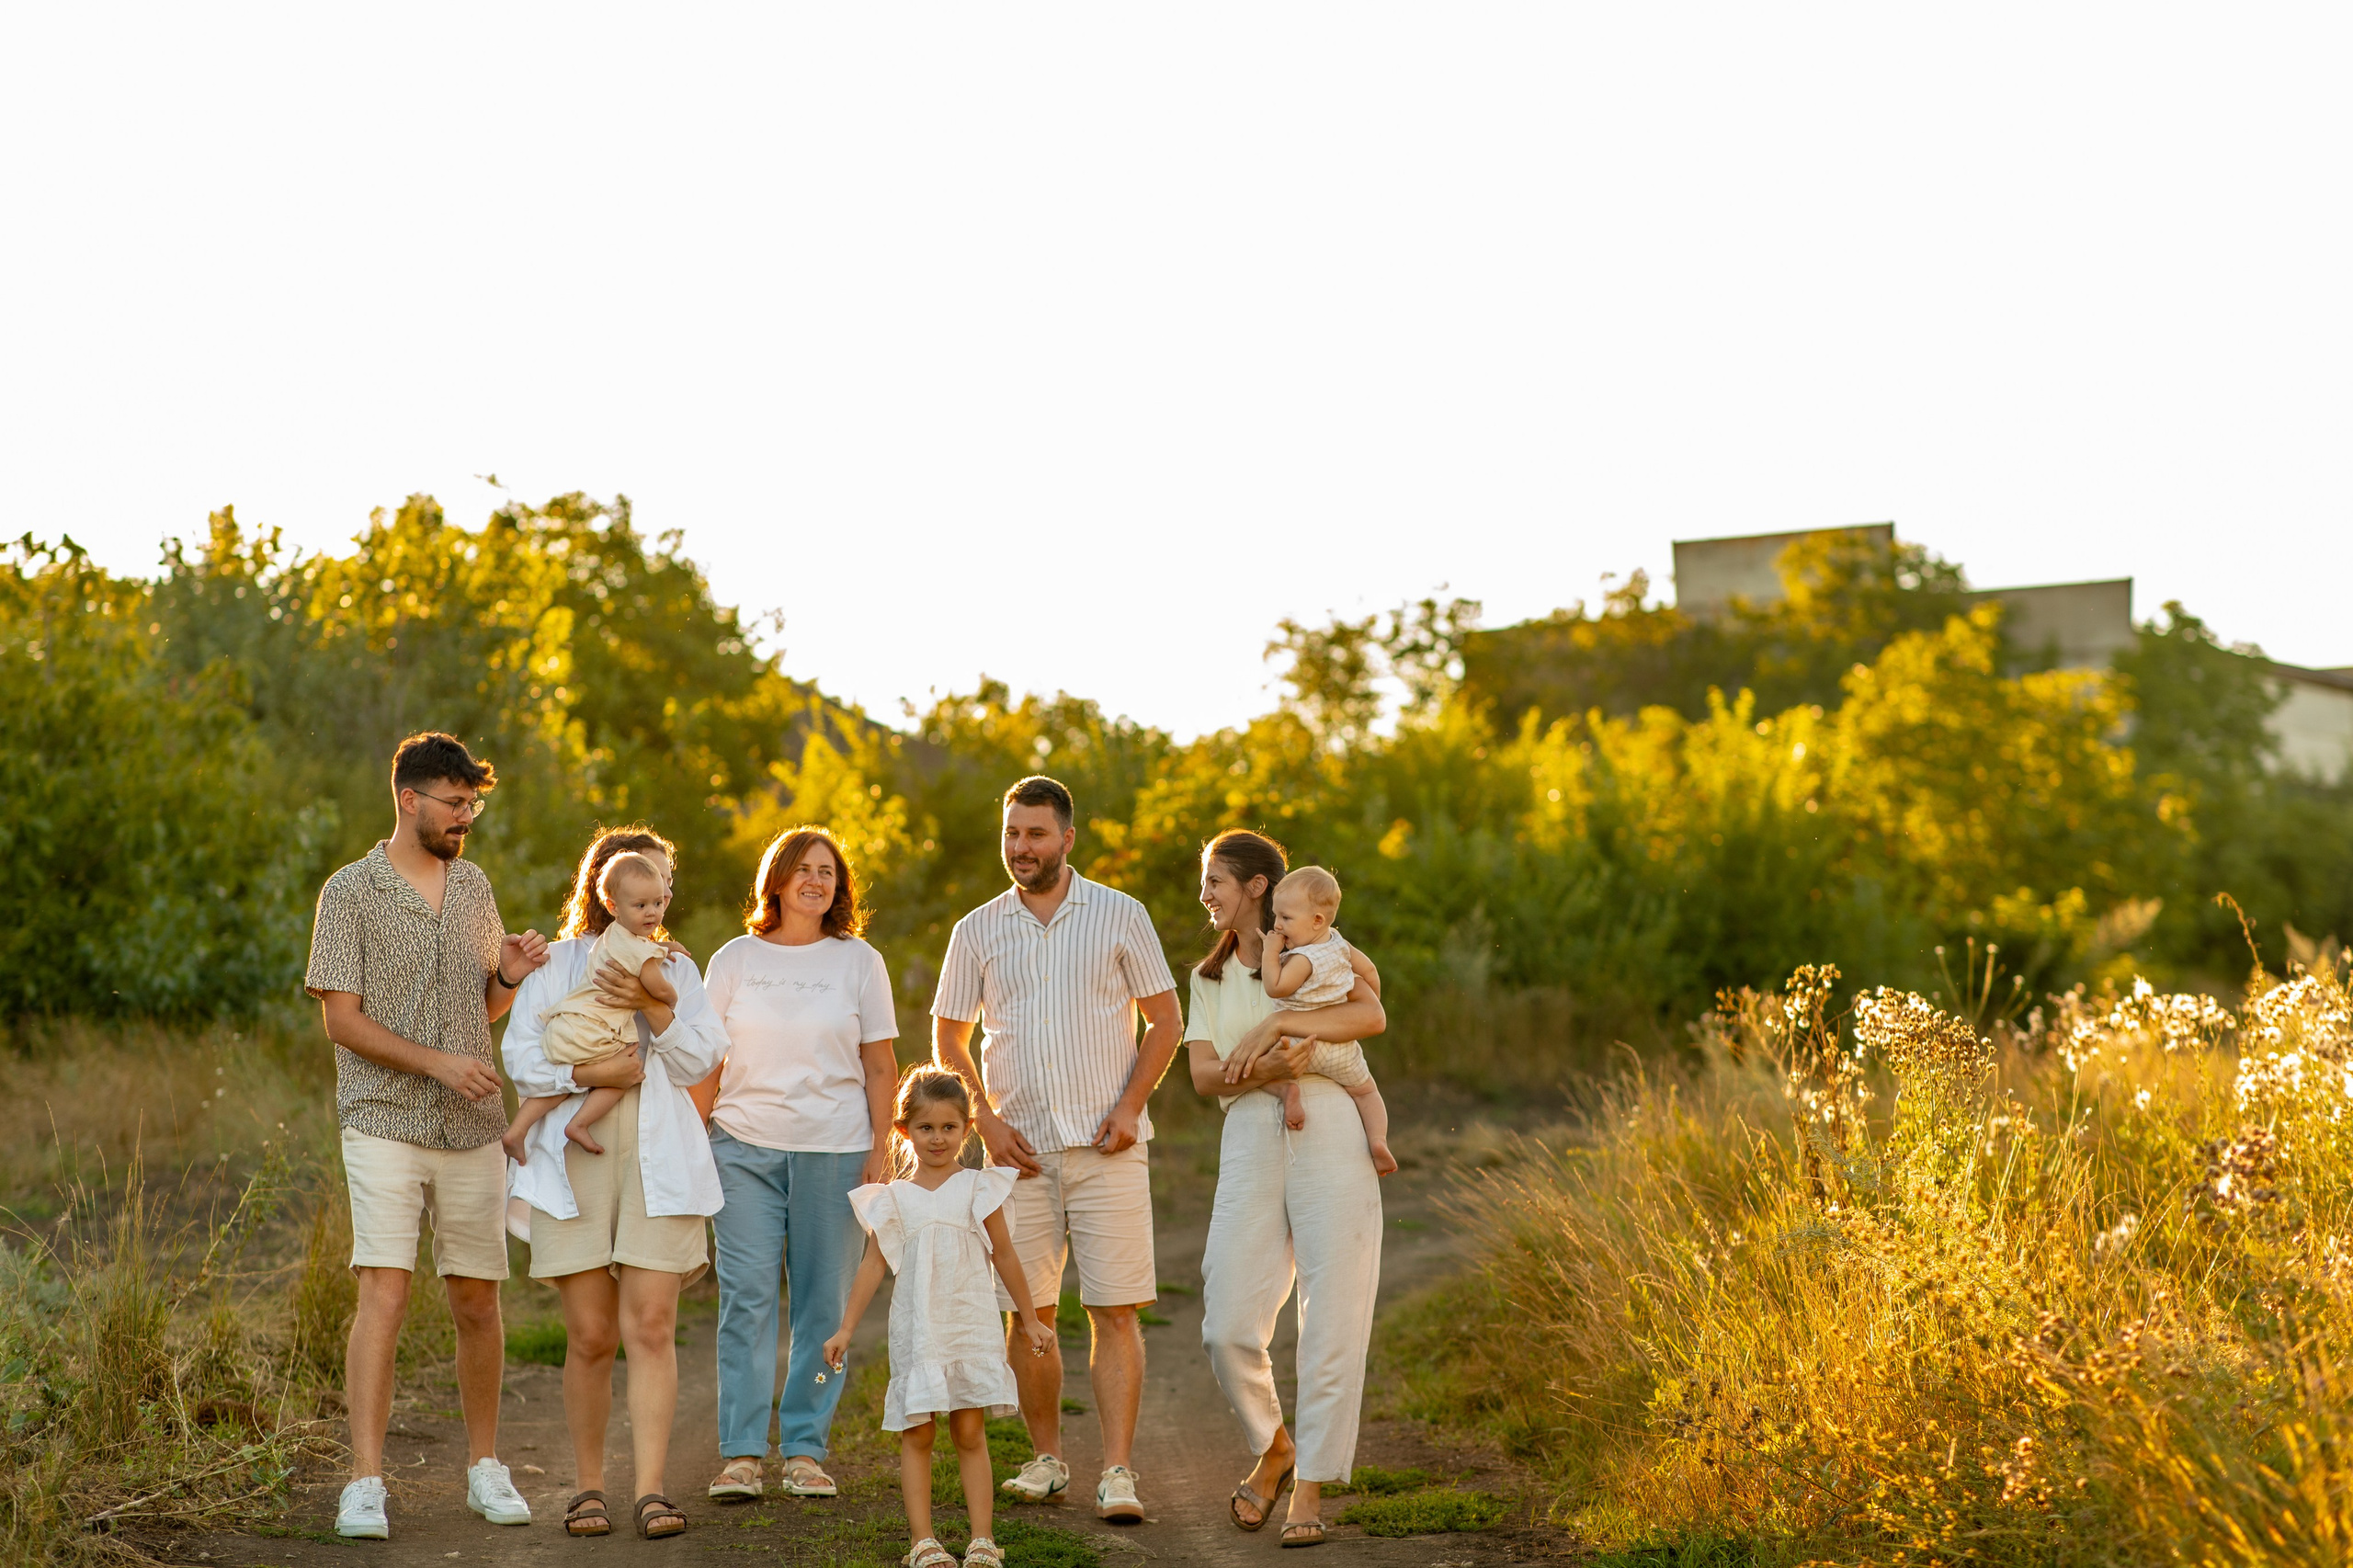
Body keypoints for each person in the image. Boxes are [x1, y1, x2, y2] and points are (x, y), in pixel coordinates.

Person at [304, 731, 549, 1541]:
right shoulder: (350, 890)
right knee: (387, 1290)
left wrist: (508, 974)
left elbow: (478, 1011)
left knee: (477, 1298)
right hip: (382, 1119)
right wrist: (439, 1065)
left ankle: (485, 1468)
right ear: (409, 798)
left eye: (473, 804)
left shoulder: (474, 887)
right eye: (454, 803)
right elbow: (343, 1021)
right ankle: (364, 1482)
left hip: (472, 1126)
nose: (465, 818)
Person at [931, 776, 1181, 1523]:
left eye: (1035, 835)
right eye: (1011, 834)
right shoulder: (976, 928)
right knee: (1028, 1314)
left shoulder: (1120, 914)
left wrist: (1132, 1106)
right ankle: (1047, 1459)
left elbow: (1165, 1020)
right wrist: (985, 1122)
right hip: (1018, 1155)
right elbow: (949, 1036)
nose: (1021, 849)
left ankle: (1117, 1471)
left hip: (1108, 1147)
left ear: (1067, 838)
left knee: (1114, 1310)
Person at [503, 827, 727, 1542]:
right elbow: (522, 1057)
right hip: (577, 1152)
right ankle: (588, 1487)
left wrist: (651, 1001)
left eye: (663, 887)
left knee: (652, 1327)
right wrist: (590, 1075)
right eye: (640, 886)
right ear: (604, 889)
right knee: (592, 1334)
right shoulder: (557, 962)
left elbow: (699, 1060)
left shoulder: (676, 969)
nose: (654, 900)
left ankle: (652, 1491)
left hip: (660, 1154)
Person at [1185, 829, 1390, 1546]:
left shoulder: (1318, 947)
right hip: (1247, 1132)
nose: (1205, 894)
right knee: (1227, 1323)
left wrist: (1281, 1021)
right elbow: (1206, 1077)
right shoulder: (1207, 978)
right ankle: (1275, 1446)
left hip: (1330, 1122)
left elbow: (1372, 1014)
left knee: (1333, 1310)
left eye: (1215, 881)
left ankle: (1310, 1489)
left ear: (1257, 887)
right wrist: (1271, 1068)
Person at [692, 826, 900, 1503]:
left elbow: (879, 1065)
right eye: (803, 868)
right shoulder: (733, 959)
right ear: (775, 879)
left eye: (828, 871)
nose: (816, 880)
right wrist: (692, 1147)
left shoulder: (860, 962)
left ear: (839, 887)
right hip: (742, 1146)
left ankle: (806, 1449)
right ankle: (743, 1454)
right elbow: (707, 1061)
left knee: (822, 1307)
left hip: (835, 1151)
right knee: (746, 1299)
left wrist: (879, 1150)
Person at [824, 1067, 1057, 1568]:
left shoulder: (979, 1187)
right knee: (919, 1433)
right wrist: (846, 1327)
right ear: (904, 1131)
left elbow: (1006, 1256)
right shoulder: (893, 1199)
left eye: (949, 1127)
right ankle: (923, 1543)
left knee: (970, 1431)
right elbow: (872, 1265)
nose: (938, 1138)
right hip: (919, 1329)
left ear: (966, 1130)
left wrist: (1032, 1317)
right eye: (926, 1128)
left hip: (969, 1326)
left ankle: (982, 1541)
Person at [504, 852, 676, 1162]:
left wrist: (659, 947)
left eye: (658, 904)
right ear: (612, 906)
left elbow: (637, 949)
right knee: (626, 1070)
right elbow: (658, 987)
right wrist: (669, 999)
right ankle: (580, 1123)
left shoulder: (612, 936)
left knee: (563, 1082)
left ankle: (517, 1130)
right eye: (641, 906)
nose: (652, 913)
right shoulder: (640, 950)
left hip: (568, 1025)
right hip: (593, 1030)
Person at [1249, 865, 1396, 1176]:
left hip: (1299, 1045)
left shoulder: (1304, 959)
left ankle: (1289, 1092)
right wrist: (1369, 1001)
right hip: (1342, 1047)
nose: (1277, 925)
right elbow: (1369, 971)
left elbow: (1277, 987)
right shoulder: (1339, 945)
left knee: (1253, 1063)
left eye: (1286, 919)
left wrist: (1270, 953)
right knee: (1367, 1092)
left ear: (1317, 920)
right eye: (1276, 916)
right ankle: (1379, 1140)